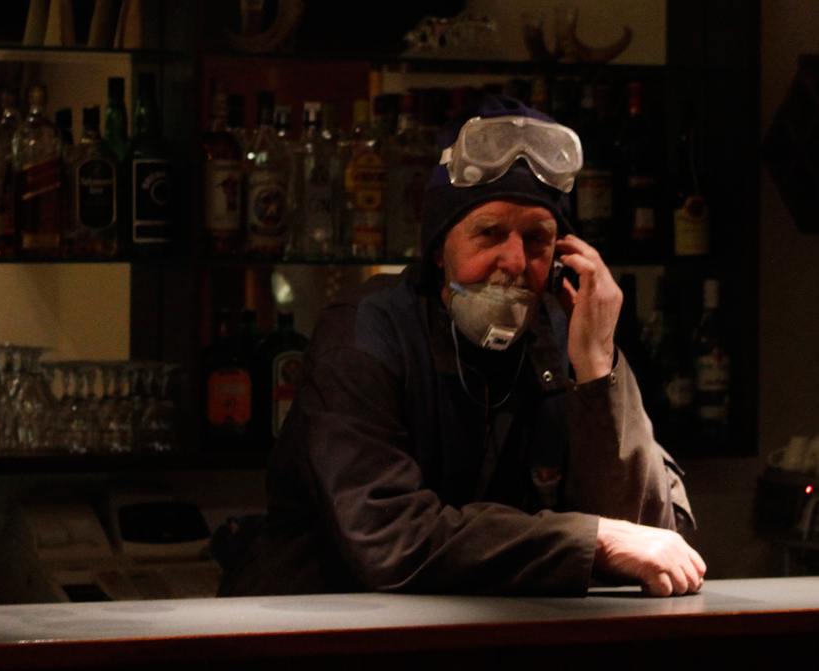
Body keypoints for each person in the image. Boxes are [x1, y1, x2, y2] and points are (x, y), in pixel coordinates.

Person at [218, 95, 705, 598]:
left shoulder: (568, 339)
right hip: (319, 624)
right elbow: (390, 536)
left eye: (537, 239)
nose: (515, 261)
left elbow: (654, 540)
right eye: (489, 233)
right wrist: (593, 541)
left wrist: (599, 370)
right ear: (438, 250)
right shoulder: (363, 333)